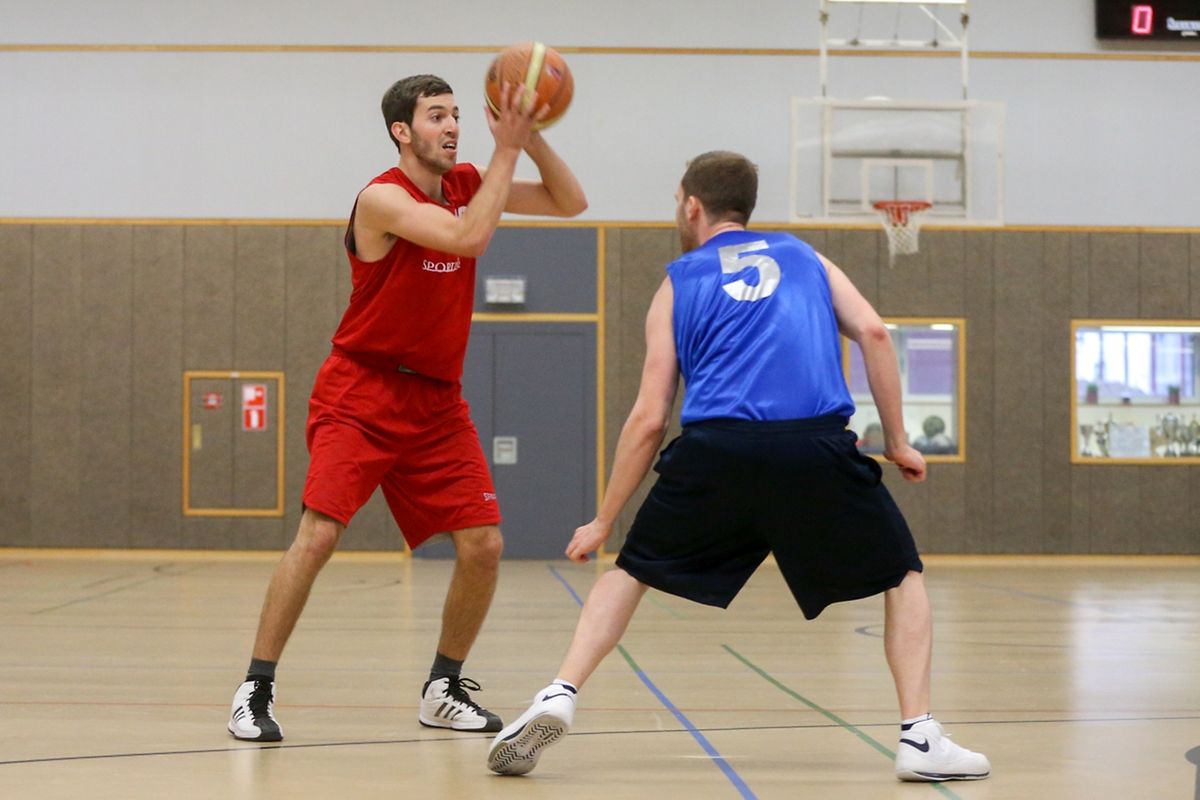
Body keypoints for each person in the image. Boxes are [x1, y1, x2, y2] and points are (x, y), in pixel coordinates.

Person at [487, 151, 989, 783]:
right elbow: (876, 334)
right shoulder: (807, 258)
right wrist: (899, 441)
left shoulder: (677, 281)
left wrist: (603, 519)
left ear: (691, 205)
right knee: (902, 576)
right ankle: (919, 737)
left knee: (630, 571)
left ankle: (560, 691)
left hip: (715, 448)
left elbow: (649, 416)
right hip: (812, 447)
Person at [227, 74, 587, 742]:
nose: (452, 127)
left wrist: (529, 140)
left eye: (456, 115)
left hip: (435, 400)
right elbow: (469, 240)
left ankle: (442, 688)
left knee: (484, 545)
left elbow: (571, 202)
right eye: (435, 116)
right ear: (402, 130)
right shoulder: (381, 199)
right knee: (320, 535)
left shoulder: (467, 184)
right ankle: (255, 687)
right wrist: (505, 156)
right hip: (361, 392)